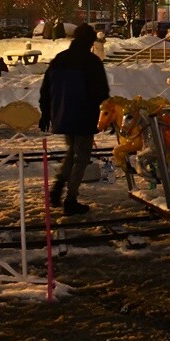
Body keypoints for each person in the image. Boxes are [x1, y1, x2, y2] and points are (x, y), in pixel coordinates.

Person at [39, 23, 110, 216]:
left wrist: (46, 113)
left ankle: (60, 183)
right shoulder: (92, 62)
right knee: (81, 157)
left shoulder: (60, 59)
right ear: (89, 41)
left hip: (62, 114)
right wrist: (106, 116)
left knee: (73, 150)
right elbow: (102, 92)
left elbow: (46, 88)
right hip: (85, 115)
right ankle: (71, 199)